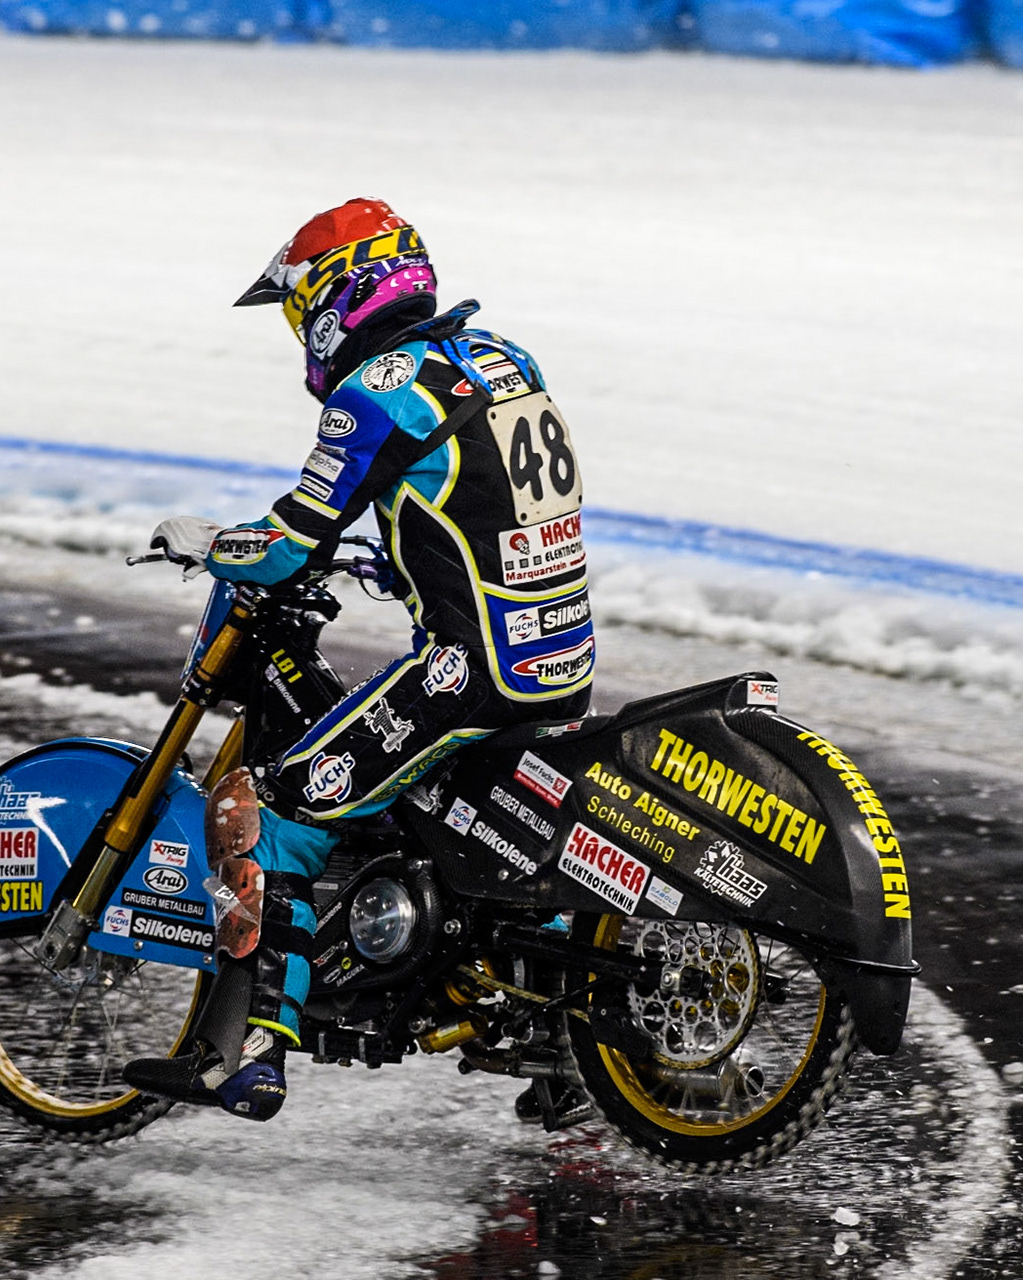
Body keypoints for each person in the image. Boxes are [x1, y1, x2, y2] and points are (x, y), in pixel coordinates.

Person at [124, 199, 595, 1122]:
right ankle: (562, 1052)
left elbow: (285, 545)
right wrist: (399, 552)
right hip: (560, 655)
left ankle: (248, 1056)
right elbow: (481, 497)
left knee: (278, 808)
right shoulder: (501, 359)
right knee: (513, 838)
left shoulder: (378, 389)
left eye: (302, 309)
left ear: (339, 293)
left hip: (474, 672)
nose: (304, 333)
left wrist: (209, 541)